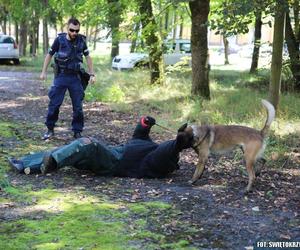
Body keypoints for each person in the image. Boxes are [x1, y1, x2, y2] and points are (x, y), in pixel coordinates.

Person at [8, 116, 194, 179]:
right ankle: (24, 164)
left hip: (114, 163)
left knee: (87, 144)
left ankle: (48, 164)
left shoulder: (160, 160)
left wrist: (180, 141)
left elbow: (169, 149)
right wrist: (145, 123)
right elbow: (139, 135)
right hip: (112, 154)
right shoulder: (149, 145)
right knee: (73, 150)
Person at [40, 17, 96, 140]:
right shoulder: (59, 40)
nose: (74, 33)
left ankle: (77, 131)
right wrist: (43, 72)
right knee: (54, 104)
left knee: (78, 107)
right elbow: (49, 55)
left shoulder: (81, 41)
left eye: (77, 30)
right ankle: (50, 129)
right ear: (67, 28)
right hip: (61, 76)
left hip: (75, 77)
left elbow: (88, 57)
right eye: (72, 30)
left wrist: (92, 74)